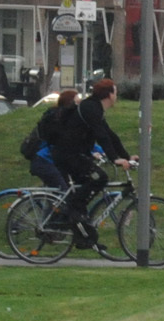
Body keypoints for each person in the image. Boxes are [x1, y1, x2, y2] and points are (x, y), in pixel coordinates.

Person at [47, 78, 133, 243]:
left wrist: (127, 157)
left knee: (86, 187)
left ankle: (78, 227)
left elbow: (110, 135)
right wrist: (115, 159)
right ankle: (73, 213)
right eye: (115, 92)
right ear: (109, 94)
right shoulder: (90, 108)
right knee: (100, 178)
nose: (117, 96)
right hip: (68, 154)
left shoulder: (94, 108)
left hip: (73, 154)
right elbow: (101, 136)